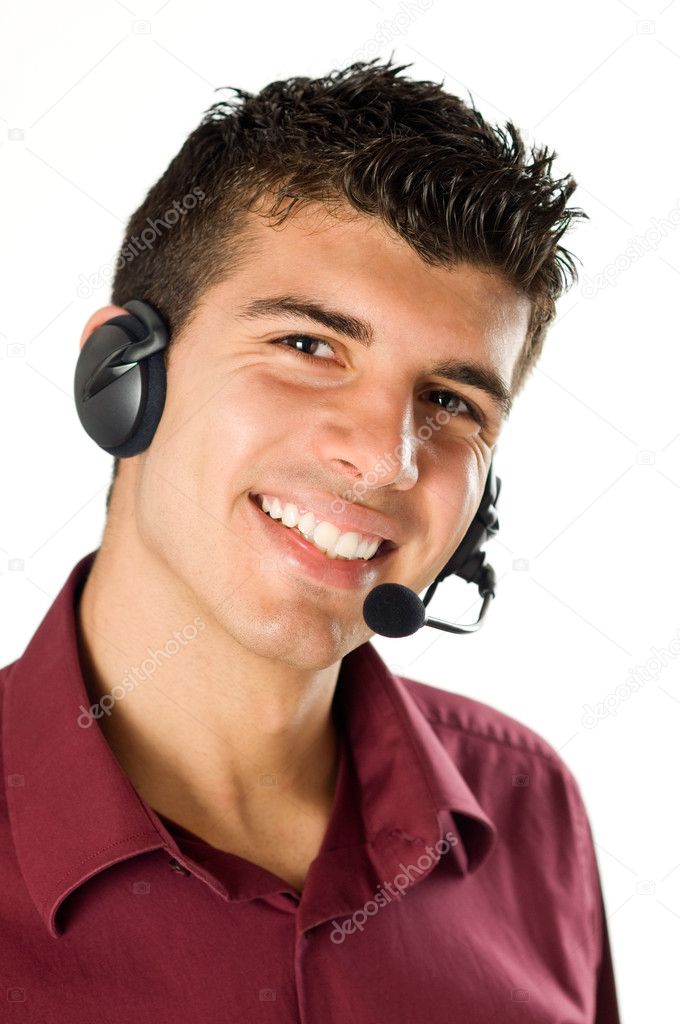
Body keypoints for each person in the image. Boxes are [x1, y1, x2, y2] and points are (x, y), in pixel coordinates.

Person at [0, 58, 620, 1022]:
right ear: (120, 376)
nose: (384, 461)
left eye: (450, 402)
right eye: (308, 346)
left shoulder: (529, 810)